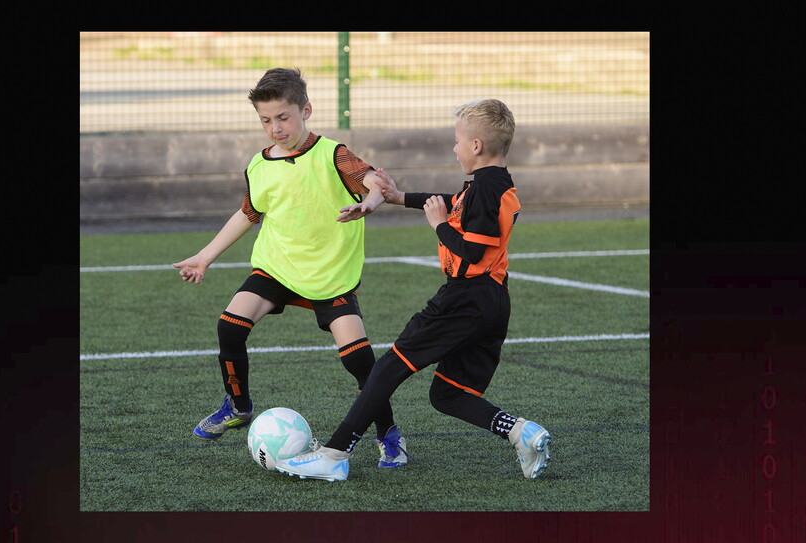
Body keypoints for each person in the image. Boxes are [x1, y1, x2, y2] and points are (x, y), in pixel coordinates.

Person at [276, 98, 550, 482]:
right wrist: (397, 197)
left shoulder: (486, 189)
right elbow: (451, 203)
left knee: (387, 368)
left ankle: (333, 454)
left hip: (465, 298)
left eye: (457, 141)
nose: (454, 148)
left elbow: (472, 249)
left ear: (475, 146)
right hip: (492, 300)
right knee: (448, 394)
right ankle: (521, 431)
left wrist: (438, 225)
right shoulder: (493, 183)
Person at [172, 67, 408, 468]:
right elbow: (249, 214)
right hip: (277, 268)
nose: (275, 128)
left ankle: (389, 434)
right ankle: (238, 404)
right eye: (266, 120)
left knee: (358, 360)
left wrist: (368, 203)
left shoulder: (334, 155)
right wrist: (204, 256)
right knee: (229, 325)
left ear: (306, 110)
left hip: (331, 275)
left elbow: (373, 182)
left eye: (283, 117)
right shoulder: (259, 164)